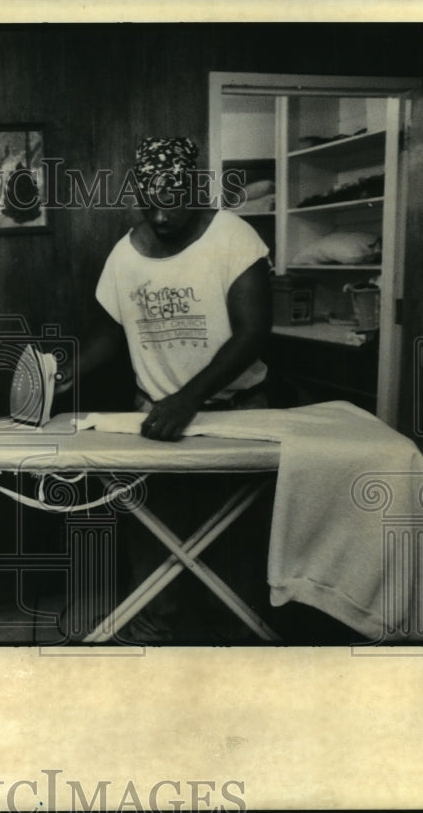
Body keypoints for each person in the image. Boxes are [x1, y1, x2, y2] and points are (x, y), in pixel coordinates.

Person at [58, 136, 274, 641]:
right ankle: (153, 631)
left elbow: (252, 330)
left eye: (171, 201)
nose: (159, 216)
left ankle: (241, 639)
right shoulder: (126, 254)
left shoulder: (233, 237)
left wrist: (190, 398)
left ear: (195, 189)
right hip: (157, 420)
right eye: (148, 203)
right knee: (156, 537)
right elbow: (112, 331)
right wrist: (68, 371)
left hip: (235, 415)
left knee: (235, 537)